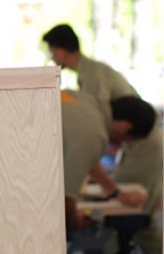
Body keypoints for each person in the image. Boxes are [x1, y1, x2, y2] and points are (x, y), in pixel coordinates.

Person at [43, 23, 162, 252]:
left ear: (60, 50)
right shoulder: (94, 124)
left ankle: (154, 249)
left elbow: (88, 147)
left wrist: (114, 192)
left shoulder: (88, 88)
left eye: (51, 50)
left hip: (145, 135)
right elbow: (88, 145)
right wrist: (74, 220)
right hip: (132, 127)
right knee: (129, 203)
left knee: (140, 208)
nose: (51, 56)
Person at [60, 91, 156, 231]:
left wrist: (116, 193)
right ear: (125, 127)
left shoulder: (84, 100)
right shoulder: (94, 135)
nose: (122, 144)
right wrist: (75, 223)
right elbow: (65, 200)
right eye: (128, 141)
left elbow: (88, 160)